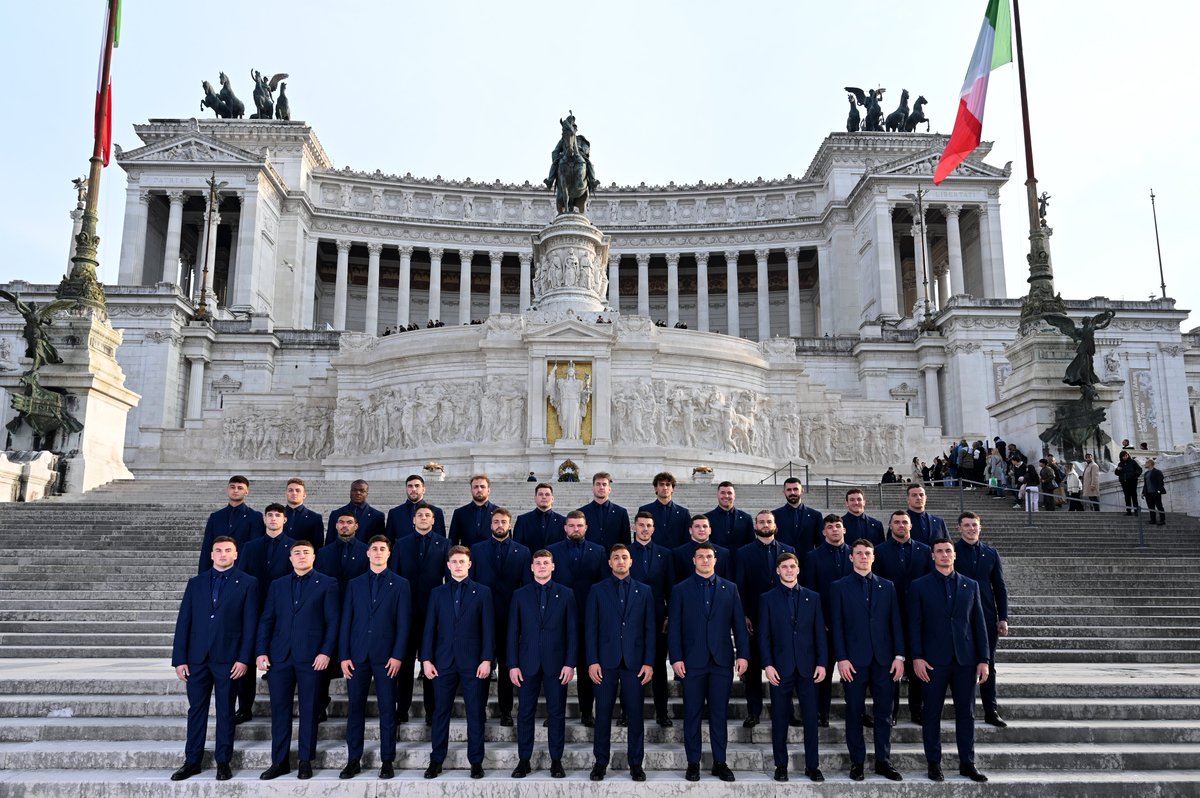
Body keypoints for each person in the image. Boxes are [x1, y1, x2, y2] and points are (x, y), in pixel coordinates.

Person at [170, 536, 259, 782]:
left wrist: (244, 659)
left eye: (227, 550)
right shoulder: (195, 583)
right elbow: (184, 622)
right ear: (211, 555)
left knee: (226, 711)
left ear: (235, 554)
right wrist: (180, 659)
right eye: (218, 550)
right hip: (197, 659)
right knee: (196, 710)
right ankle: (192, 761)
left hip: (229, 660)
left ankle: (223, 761)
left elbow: (250, 625)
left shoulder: (248, 583)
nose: (222, 554)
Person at [255, 540, 340, 780]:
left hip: (312, 658)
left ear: (314, 557)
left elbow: (333, 622)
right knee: (280, 712)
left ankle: (305, 760)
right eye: (297, 553)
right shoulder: (277, 585)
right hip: (280, 658)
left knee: (309, 711)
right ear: (290, 558)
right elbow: (267, 620)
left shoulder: (327, 583)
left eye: (306, 553)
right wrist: (261, 651)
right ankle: (279, 761)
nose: (301, 556)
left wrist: (326, 652)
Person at [909, 538, 991, 783]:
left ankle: (967, 762)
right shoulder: (919, 586)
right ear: (932, 556)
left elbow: (979, 625)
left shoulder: (970, 585)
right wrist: (917, 658)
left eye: (948, 551)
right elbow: (914, 625)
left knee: (967, 714)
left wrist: (984, 659)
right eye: (939, 552)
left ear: (954, 555)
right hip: (933, 662)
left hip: (965, 661)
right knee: (932, 713)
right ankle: (934, 763)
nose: (944, 555)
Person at [668, 543, 750, 783]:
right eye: (700, 557)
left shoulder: (730, 588)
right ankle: (693, 762)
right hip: (692, 662)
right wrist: (676, 658)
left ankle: (719, 762)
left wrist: (743, 655)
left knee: (718, 714)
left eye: (709, 557)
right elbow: (674, 628)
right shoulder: (680, 590)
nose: (705, 560)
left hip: (721, 661)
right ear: (693, 560)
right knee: (692, 713)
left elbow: (739, 626)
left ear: (716, 560)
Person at [337, 535, 411, 780]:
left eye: (383, 548)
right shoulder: (354, 583)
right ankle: (353, 760)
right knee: (355, 710)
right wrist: (344, 655)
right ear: (367, 553)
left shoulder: (401, 584)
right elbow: (346, 620)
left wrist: (398, 655)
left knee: (388, 710)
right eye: (374, 548)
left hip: (387, 657)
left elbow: (403, 624)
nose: (378, 552)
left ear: (389, 554)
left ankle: (387, 760)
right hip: (357, 657)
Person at [831, 539, 905, 782]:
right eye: (859, 553)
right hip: (853, 661)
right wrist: (841, 658)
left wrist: (899, 656)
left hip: (884, 661)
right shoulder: (839, 587)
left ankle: (883, 761)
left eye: (867, 553)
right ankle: (857, 762)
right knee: (854, 712)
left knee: (884, 713)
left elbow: (895, 623)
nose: (863, 557)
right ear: (851, 557)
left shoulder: (887, 586)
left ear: (873, 557)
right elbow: (837, 627)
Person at [421, 545, 494, 780]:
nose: (458, 565)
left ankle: (476, 761)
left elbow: (488, 630)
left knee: (475, 712)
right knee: (440, 712)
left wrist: (486, 660)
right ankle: (437, 760)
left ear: (469, 564)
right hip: (443, 662)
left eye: (462, 561)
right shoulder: (437, 593)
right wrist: (426, 658)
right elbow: (429, 628)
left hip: (473, 663)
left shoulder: (482, 592)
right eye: (454, 562)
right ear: (448, 565)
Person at [586, 544, 656, 782]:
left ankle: (636, 763)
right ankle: (600, 763)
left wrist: (649, 662)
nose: (620, 561)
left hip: (635, 663)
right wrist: (592, 660)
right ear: (610, 562)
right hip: (605, 662)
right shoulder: (597, 590)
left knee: (635, 714)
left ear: (631, 561)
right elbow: (591, 628)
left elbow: (650, 629)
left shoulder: (644, 591)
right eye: (615, 557)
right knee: (603, 714)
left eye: (624, 557)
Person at [758, 551, 827, 783]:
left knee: (810, 720)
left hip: (808, 668)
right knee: (779, 719)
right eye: (784, 567)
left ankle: (812, 766)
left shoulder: (813, 597)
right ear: (778, 570)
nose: (789, 570)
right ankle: (781, 766)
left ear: (798, 569)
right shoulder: (767, 598)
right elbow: (764, 636)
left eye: (792, 566)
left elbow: (820, 634)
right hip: (780, 668)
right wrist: (767, 665)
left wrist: (822, 663)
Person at [508, 550, 576, 779]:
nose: (542, 566)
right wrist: (512, 664)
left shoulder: (566, 594)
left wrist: (570, 663)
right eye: (538, 563)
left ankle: (556, 760)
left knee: (556, 713)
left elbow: (572, 633)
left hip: (557, 664)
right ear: (531, 567)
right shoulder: (520, 594)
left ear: (553, 567)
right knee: (525, 712)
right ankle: (524, 760)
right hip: (527, 664)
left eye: (546, 563)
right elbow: (512, 632)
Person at [732, 509, 795, 728]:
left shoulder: (788, 550)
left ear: (775, 524)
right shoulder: (743, 553)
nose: (765, 525)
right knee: (753, 669)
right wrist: (745, 615)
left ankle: (786, 711)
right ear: (755, 525)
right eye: (761, 522)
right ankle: (754, 712)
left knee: (784, 666)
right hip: (754, 619)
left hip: (782, 619)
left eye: (769, 521)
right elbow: (740, 587)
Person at [389, 502, 450, 725]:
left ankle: (432, 712)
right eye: (420, 515)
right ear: (413, 520)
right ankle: (401, 709)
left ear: (433, 520)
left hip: (432, 616)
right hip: (405, 614)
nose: (424, 518)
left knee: (431, 664)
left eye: (427, 515)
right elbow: (393, 580)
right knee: (404, 664)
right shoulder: (401, 544)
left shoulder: (444, 544)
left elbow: (448, 581)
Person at [470, 508, 531, 726]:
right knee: (482, 665)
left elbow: (526, 588)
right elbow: (472, 584)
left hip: (510, 619)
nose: (499, 525)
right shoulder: (476, 550)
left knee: (507, 666)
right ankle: (479, 709)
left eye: (503, 522)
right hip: (482, 617)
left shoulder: (523, 552)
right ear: (490, 525)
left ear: (509, 524)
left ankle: (506, 711)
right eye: (496, 521)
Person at [547, 511, 607, 727]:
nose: (575, 529)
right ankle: (554, 712)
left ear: (586, 527)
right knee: (555, 667)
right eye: (571, 525)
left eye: (579, 525)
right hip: (557, 619)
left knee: (584, 667)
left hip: (586, 617)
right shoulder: (552, 551)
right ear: (565, 528)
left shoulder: (598, 551)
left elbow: (603, 587)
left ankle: (586, 711)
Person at [235, 503, 294, 724]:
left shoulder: (293, 546)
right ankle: (245, 707)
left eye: (277, 515)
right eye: (269, 515)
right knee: (247, 659)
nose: (273, 519)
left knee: (278, 657)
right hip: (253, 608)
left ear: (284, 520)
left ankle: (280, 708)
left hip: (280, 611)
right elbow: (240, 578)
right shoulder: (251, 547)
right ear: (264, 519)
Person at [872, 510, 932, 725]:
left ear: (910, 525)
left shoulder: (925, 551)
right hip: (890, 616)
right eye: (896, 522)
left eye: (904, 522)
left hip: (919, 616)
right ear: (890, 526)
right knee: (892, 666)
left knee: (918, 663)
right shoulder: (879, 552)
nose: (900, 525)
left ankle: (918, 709)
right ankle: (892, 711)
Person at [953, 512, 1010, 728]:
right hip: (961, 618)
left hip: (987, 616)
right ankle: (964, 709)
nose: (970, 529)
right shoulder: (953, 551)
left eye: (974, 525)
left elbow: (1000, 587)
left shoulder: (991, 553)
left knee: (988, 663)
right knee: (963, 665)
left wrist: (1002, 617)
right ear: (959, 528)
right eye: (966, 525)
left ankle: (990, 709)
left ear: (980, 527)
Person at [313, 511, 370, 722]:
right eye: (341, 522)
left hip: (357, 613)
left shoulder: (366, 551)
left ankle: (357, 708)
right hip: (329, 611)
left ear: (356, 526)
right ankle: (320, 705)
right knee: (324, 662)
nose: (344, 526)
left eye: (349, 522)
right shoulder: (324, 553)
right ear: (335, 526)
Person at [802, 514, 851, 728]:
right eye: (830, 527)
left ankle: (855, 712)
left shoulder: (855, 553)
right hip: (825, 623)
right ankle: (822, 712)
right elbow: (811, 592)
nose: (834, 530)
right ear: (823, 532)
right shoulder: (813, 557)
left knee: (854, 673)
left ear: (844, 529)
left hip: (852, 625)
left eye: (838, 526)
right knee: (824, 670)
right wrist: (818, 620)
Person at [627, 510, 676, 727]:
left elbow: (671, 588)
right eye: (641, 525)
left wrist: (669, 615)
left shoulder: (665, 554)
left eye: (648, 525)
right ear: (634, 527)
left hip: (658, 619)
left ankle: (662, 712)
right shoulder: (624, 553)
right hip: (630, 619)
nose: (645, 529)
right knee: (629, 668)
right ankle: (627, 713)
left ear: (653, 529)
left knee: (657, 666)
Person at [198, 475, 264, 573]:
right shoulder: (215, 517)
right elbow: (207, 548)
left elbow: (254, 549)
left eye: (240, 488)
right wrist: (202, 575)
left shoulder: (255, 517)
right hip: (217, 571)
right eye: (232, 487)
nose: (236, 490)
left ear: (246, 492)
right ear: (227, 489)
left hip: (243, 572)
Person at [578, 471, 632, 553]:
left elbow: (626, 540)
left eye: (604, 484)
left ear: (609, 489)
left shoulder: (621, 512)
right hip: (588, 559)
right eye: (598, 484)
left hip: (613, 560)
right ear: (593, 488)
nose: (601, 487)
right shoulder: (582, 512)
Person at [385, 474, 447, 540]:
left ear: (423, 489)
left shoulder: (436, 512)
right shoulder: (394, 513)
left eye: (417, 486)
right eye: (410, 486)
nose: (413, 489)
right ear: (406, 489)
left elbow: (441, 540)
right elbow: (388, 541)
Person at [638, 472, 691, 549]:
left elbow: (688, 538)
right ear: (656, 488)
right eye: (661, 484)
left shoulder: (684, 513)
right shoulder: (645, 510)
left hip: (676, 557)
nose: (665, 487)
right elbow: (639, 536)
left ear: (672, 488)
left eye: (668, 484)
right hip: (652, 556)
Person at [324, 480, 385, 545]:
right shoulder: (336, 514)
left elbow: (379, 542)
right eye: (354, 490)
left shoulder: (377, 516)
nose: (358, 493)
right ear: (350, 492)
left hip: (366, 553)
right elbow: (330, 540)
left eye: (362, 491)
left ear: (367, 494)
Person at [773, 476, 824, 551]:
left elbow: (820, 543)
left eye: (795, 489)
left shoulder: (816, 515)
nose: (792, 492)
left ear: (802, 490)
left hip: (808, 560)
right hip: (783, 560)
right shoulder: (775, 515)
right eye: (789, 490)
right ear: (784, 492)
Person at [673, 514, 731, 579]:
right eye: (697, 526)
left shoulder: (723, 553)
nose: (701, 529)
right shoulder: (678, 553)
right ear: (690, 530)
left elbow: (728, 581)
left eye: (705, 526)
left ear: (710, 530)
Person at [513, 482, 566, 552]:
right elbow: (517, 546)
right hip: (530, 562)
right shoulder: (523, 520)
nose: (544, 497)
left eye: (547, 494)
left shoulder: (562, 521)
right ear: (535, 498)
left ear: (552, 499)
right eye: (540, 494)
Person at [448, 474, 499, 547]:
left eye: (482, 486)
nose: (479, 490)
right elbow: (453, 541)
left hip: (492, 557)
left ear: (488, 490)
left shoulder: (499, 512)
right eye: (476, 487)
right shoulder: (459, 513)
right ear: (471, 490)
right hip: (467, 557)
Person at [704, 481, 754, 549]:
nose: (726, 496)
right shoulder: (707, 518)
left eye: (729, 493)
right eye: (722, 493)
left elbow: (751, 543)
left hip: (740, 559)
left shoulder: (746, 518)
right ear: (717, 495)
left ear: (734, 496)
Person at [283, 478, 324, 549]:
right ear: (286, 493)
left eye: (298, 490)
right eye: (290, 490)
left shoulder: (315, 518)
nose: (294, 493)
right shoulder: (276, 515)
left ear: (304, 495)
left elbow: (318, 545)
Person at [1115, 451, 1142, 515]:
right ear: (1121, 457)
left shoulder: (1133, 462)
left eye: (1126, 455)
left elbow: (1139, 469)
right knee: (1127, 496)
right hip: (1124, 482)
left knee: (1134, 495)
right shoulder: (1120, 464)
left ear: (1128, 455)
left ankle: (1136, 510)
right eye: (1123, 456)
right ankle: (1128, 511)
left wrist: (1135, 475)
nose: (1125, 457)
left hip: (1132, 481)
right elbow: (1116, 473)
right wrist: (1118, 470)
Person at [1143, 458, 1166, 525]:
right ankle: (1153, 520)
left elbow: (1161, 482)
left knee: (1159, 506)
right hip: (1148, 493)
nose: (1145, 464)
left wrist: (1158, 491)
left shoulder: (1157, 472)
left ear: (1150, 464)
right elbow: (1145, 484)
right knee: (1151, 507)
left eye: (1146, 463)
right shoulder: (1146, 473)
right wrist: (1143, 492)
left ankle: (1162, 520)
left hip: (1155, 492)